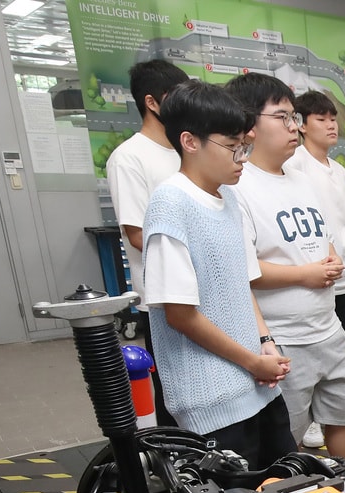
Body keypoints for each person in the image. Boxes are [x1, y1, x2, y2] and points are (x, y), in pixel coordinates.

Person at [141, 81, 295, 469]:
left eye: (246, 145)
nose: (243, 157)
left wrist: (265, 342)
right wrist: (251, 361)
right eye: (234, 146)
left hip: (256, 387)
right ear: (191, 142)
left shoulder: (228, 197)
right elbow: (180, 316)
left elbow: (242, 285)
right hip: (211, 402)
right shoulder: (170, 204)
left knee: (287, 488)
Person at [225, 73, 345, 470]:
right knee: (288, 436)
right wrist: (304, 275)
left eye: (293, 118)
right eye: (283, 117)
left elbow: (323, 238)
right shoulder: (238, 186)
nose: (294, 127)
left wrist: (332, 259)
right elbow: (244, 270)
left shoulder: (303, 181)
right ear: (250, 125)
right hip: (283, 338)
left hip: (327, 325)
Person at [286, 89, 345, 446]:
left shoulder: (339, 171)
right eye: (321, 119)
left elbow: (343, 226)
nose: (330, 125)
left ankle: (338, 416)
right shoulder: (293, 167)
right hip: (312, 278)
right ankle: (310, 422)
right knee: (308, 358)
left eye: (333, 118)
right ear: (303, 125)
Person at [105, 59, 190, 423]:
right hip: (164, 298)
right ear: (153, 103)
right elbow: (138, 234)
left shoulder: (187, 149)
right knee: (175, 390)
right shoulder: (129, 158)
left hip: (207, 290)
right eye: (178, 97)